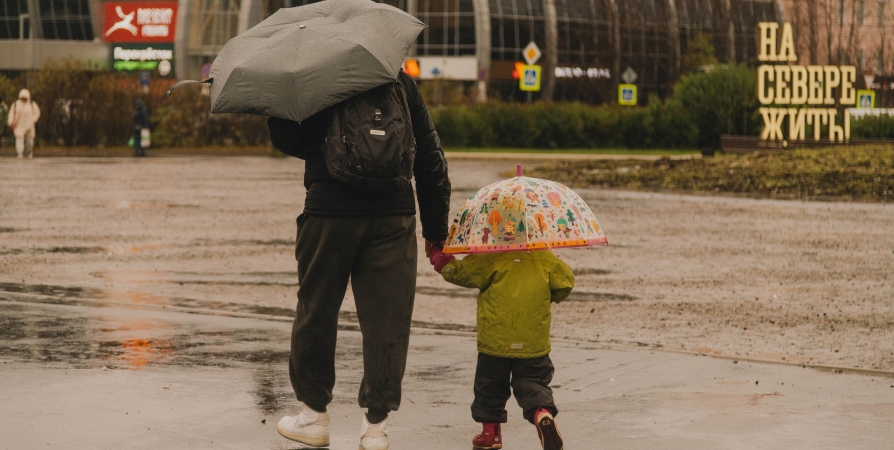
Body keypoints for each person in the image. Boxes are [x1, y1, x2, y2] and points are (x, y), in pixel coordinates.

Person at [267, 70, 451, 450]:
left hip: (329, 213)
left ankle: (314, 417)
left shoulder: (317, 77)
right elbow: (430, 156)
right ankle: (375, 428)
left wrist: (284, 106)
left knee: (316, 311)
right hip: (393, 217)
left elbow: (286, 138)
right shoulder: (399, 81)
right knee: (388, 320)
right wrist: (435, 229)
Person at [428, 245, 574, 450]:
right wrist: (549, 295)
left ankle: (490, 435)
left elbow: (461, 273)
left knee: (490, 386)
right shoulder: (543, 256)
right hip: (532, 339)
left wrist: (440, 258)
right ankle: (542, 413)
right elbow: (566, 282)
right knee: (534, 380)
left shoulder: (490, 255)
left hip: (495, 340)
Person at [7, 89, 40, 159]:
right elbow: (11, 113)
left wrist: (33, 120)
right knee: (19, 138)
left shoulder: (32, 104)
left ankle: (29, 150)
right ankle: (19, 152)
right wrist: (10, 122)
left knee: (30, 140)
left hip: (29, 125)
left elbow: (37, 113)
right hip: (19, 125)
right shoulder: (16, 104)